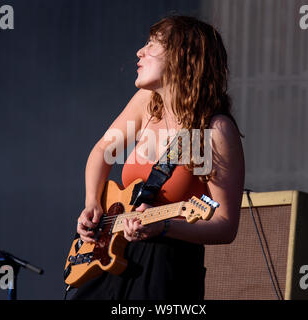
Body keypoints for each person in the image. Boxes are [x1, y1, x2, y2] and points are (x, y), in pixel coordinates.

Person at [72, 15, 245, 300]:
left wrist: (163, 226)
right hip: (113, 256)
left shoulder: (215, 130)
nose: (139, 52)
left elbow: (226, 226)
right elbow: (103, 151)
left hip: (167, 269)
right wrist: (92, 203)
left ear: (182, 56)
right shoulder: (146, 103)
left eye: (152, 44)